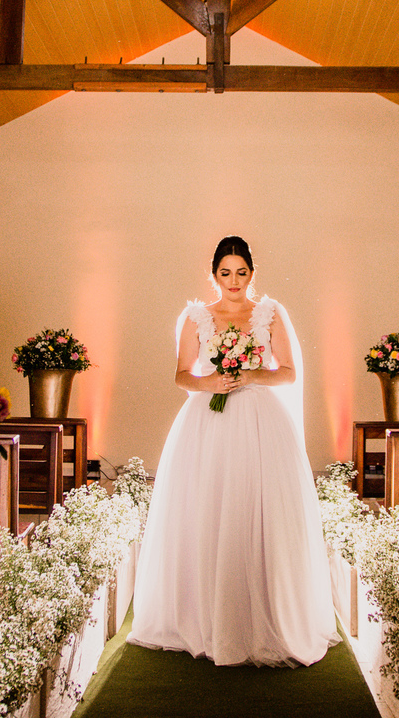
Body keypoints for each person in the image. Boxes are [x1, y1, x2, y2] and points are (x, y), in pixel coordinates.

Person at [127, 236, 339, 666]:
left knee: (257, 511)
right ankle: (204, 618)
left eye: (241, 272)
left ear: (252, 274)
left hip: (261, 421)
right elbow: (182, 375)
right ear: (213, 275)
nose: (234, 280)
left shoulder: (271, 314)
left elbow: (289, 373)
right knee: (208, 510)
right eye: (226, 272)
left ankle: (263, 620)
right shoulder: (195, 317)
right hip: (207, 422)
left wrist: (252, 373)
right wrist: (209, 383)